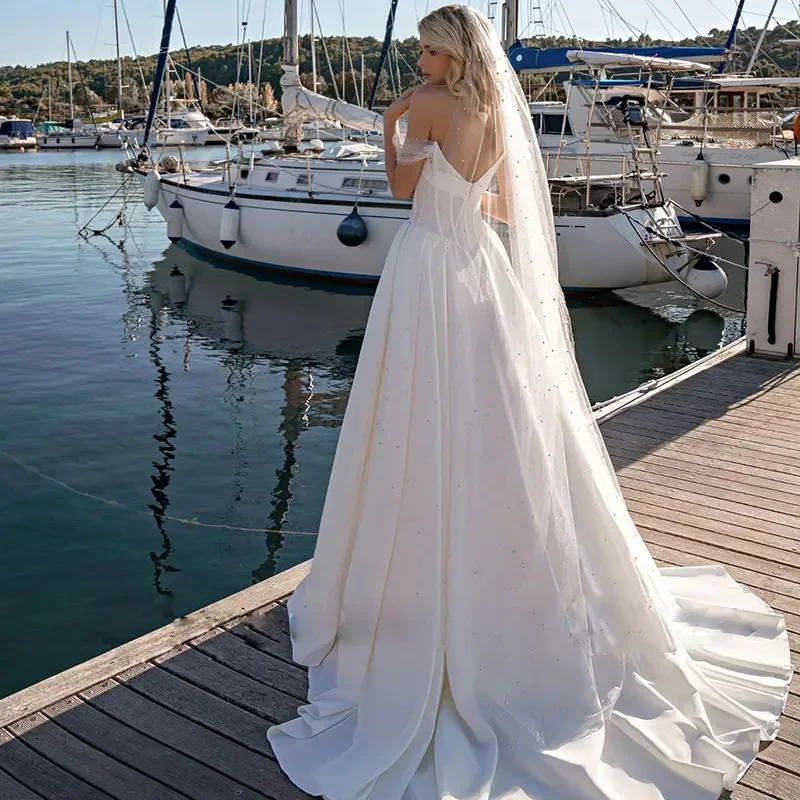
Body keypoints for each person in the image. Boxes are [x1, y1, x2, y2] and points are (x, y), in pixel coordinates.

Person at [268, 6, 791, 799]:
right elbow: (507, 208)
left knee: (417, 411)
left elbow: (405, 188)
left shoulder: (433, 107)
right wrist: (460, 185)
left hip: (431, 269)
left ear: (449, 52)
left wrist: (392, 124)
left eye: (427, 49)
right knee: (495, 416)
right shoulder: (491, 112)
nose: (421, 59)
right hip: (482, 271)